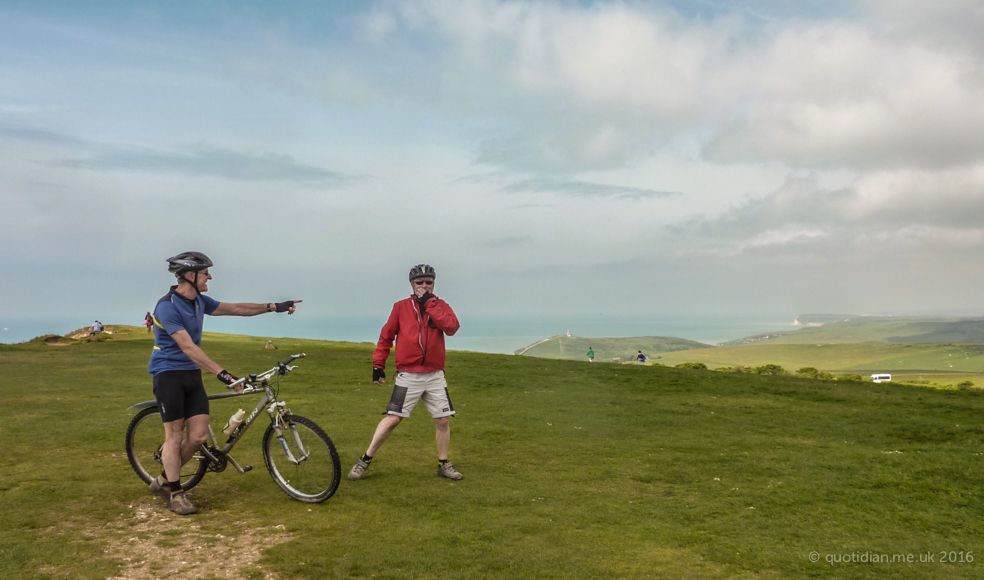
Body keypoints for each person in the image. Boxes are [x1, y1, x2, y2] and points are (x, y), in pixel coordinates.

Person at [147, 251, 301, 515]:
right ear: (190, 276)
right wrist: (223, 374)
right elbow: (186, 346)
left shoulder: (200, 302)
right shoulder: (167, 306)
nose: (210, 276)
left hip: (192, 375)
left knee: (197, 437)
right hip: (169, 375)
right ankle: (175, 493)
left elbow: (238, 309)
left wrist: (275, 306)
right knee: (174, 436)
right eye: (205, 272)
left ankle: (163, 479)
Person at [348, 264, 462, 482]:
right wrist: (378, 365)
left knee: (443, 420)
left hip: (435, 374)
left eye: (428, 282)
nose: (424, 286)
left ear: (434, 283)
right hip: (409, 374)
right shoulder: (400, 307)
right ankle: (365, 459)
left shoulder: (440, 305)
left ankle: (443, 463)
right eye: (420, 283)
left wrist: (429, 304)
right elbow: (386, 337)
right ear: (412, 284)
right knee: (392, 420)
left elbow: (451, 327)